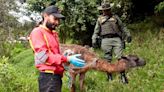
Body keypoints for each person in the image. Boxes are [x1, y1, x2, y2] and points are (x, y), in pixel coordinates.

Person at [29, 5, 86, 92]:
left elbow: (54, 54)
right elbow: (44, 57)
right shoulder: (37, 32)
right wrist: (67, 58)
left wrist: (65, 55)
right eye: (55, 19)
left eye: (58, 20)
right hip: (48, 78)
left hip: (56, 77)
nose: (57, 22)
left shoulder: (53, 33)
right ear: (45, 16)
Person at [92, 3, 132, 84]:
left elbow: (122, 27)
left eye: (107, 10)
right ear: (102, 10)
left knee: (120, 57)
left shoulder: (115, 17)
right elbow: (96, 31)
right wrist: (94, 39)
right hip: (105, 40)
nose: (105, 12)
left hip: (116, 39)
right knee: (107, 59)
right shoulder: (100, 19)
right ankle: (109, 76)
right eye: (104, 10)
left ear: (110, 9)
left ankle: (123, 76)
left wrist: (128, 34)